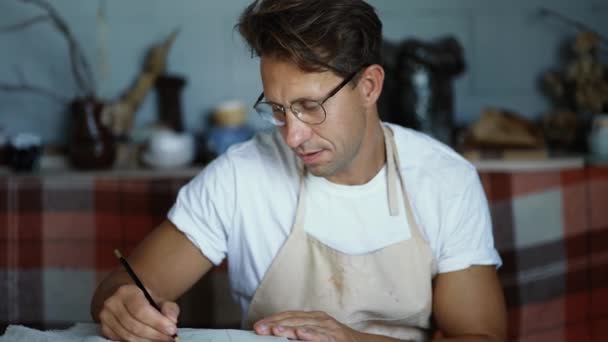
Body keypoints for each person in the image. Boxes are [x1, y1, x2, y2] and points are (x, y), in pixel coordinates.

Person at [91, 0, 507, 341]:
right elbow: (117, 290)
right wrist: (122, 308)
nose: (292, 136)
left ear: (369, 86)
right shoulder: (239, 178)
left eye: (310, 107)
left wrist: (353, 340)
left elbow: (481, 337)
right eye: (277, 110)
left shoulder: (446, 180)